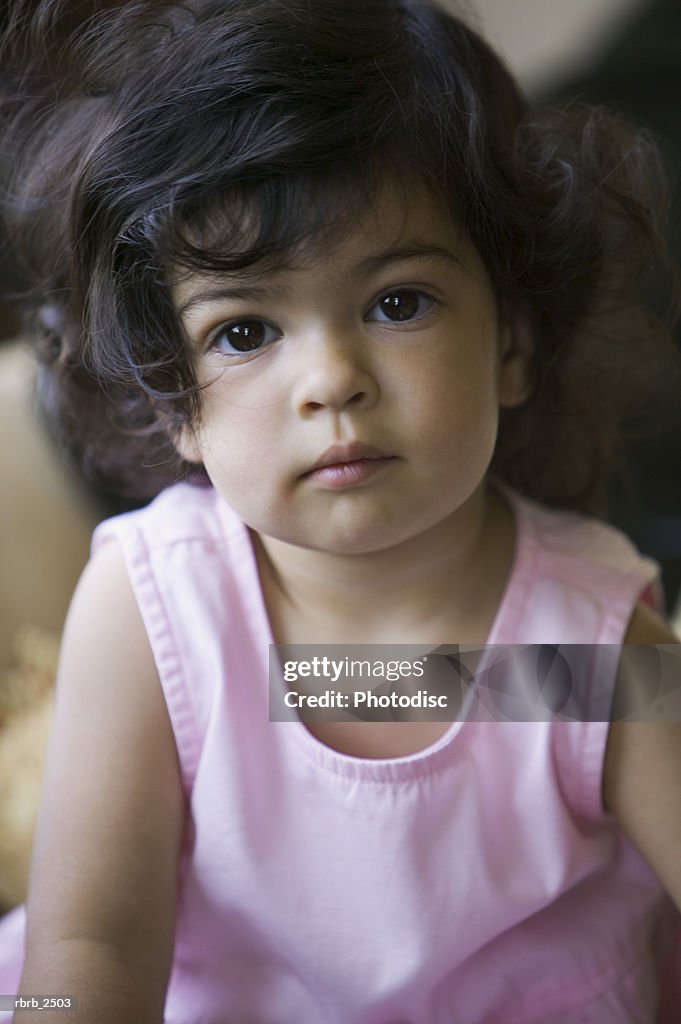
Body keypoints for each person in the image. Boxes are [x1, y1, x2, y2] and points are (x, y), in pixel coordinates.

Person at [0, 1, 680, 1021]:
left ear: (514, 342)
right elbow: (88, 943)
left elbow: (406, 679)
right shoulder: (160, 612)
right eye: (243, 331)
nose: (331, 379)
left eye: (396, 303)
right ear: (173, 401)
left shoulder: (584, 642)